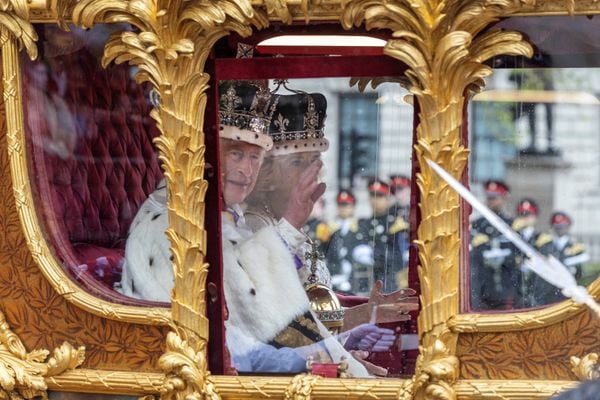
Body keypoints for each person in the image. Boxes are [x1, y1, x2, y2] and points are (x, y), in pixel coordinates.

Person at [120, 81, 393, 376]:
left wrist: (341, 355)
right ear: (205, 153)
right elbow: (247, 332)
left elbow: (277, 319)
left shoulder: (224, 217)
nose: (247, 171)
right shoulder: (175, 222)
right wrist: (328, 362)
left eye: (254, 157)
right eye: (236, 154)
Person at [355, 178, 409, 294]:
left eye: (379, 196)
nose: (375, 200)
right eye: (372, 196)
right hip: (369, 279)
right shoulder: (364, 224)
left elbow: (397, 254)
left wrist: (374, 253)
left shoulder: (396, 223)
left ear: (388, 199)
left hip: (390, 278)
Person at [470, 180, 515, 310]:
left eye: (495, 198)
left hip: (505, 285)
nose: (491, 202)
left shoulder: (512, 224)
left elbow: (517, 255)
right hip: (481, 286)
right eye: (489, 198)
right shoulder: (477, 225)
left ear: (504, 198)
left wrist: (503, 257)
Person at [532, 211, 589, 306]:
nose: (560, 229)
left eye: (563, 226)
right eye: (557, 227)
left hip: (568, 291)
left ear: (568, 226)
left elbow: (579, 272)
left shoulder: (575, 247)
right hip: (548, 291)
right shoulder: (545, 245)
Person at [326, 189, 361, 293]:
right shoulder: (330, 228)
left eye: (346, 205)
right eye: (340, 205)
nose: (343, 208)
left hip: (354, 279)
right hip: (334, 277)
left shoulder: (360, 227)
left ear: (353, 207)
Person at [511, 198, 543, 308]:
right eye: (522, 215)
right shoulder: (512, 236)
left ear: (535, 217)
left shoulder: (542, 238)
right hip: (516, 289)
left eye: (528, 214)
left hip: (535, 288)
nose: (525, 218)